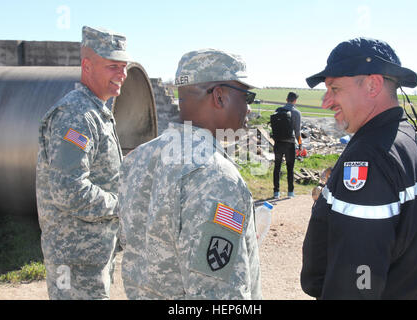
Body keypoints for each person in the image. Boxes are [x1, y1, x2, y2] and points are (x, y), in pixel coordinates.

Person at [301, 37, 417, 299]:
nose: (325, 102)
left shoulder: (369, 157)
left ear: (373, 84)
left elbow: (356, 280)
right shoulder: (416, 143)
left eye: (334, 89)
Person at [118, 49, 262, 299]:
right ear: (219, 96)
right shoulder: (217, 176)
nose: (248, 108)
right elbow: (218, 296)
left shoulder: (140, 157)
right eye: (247, 96)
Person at [36, 25, 131, 299]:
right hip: (76, 259)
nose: (122, 74)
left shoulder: (96, 110)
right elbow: (69, 190)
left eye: (124, 66)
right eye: (113, 66)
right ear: (87, 66)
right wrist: (121, 204)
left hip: (91, 253)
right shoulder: (77, 115)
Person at [271, 92, 302, 199]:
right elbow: (297, 132)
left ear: (286, 99)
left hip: (278, 142)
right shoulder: (296, 113)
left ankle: (276, 192)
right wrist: (300, 144)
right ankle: (290, 192)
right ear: (295, 100)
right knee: (290, 168)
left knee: (277, 167)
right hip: (290, 143)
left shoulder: (278, 110)